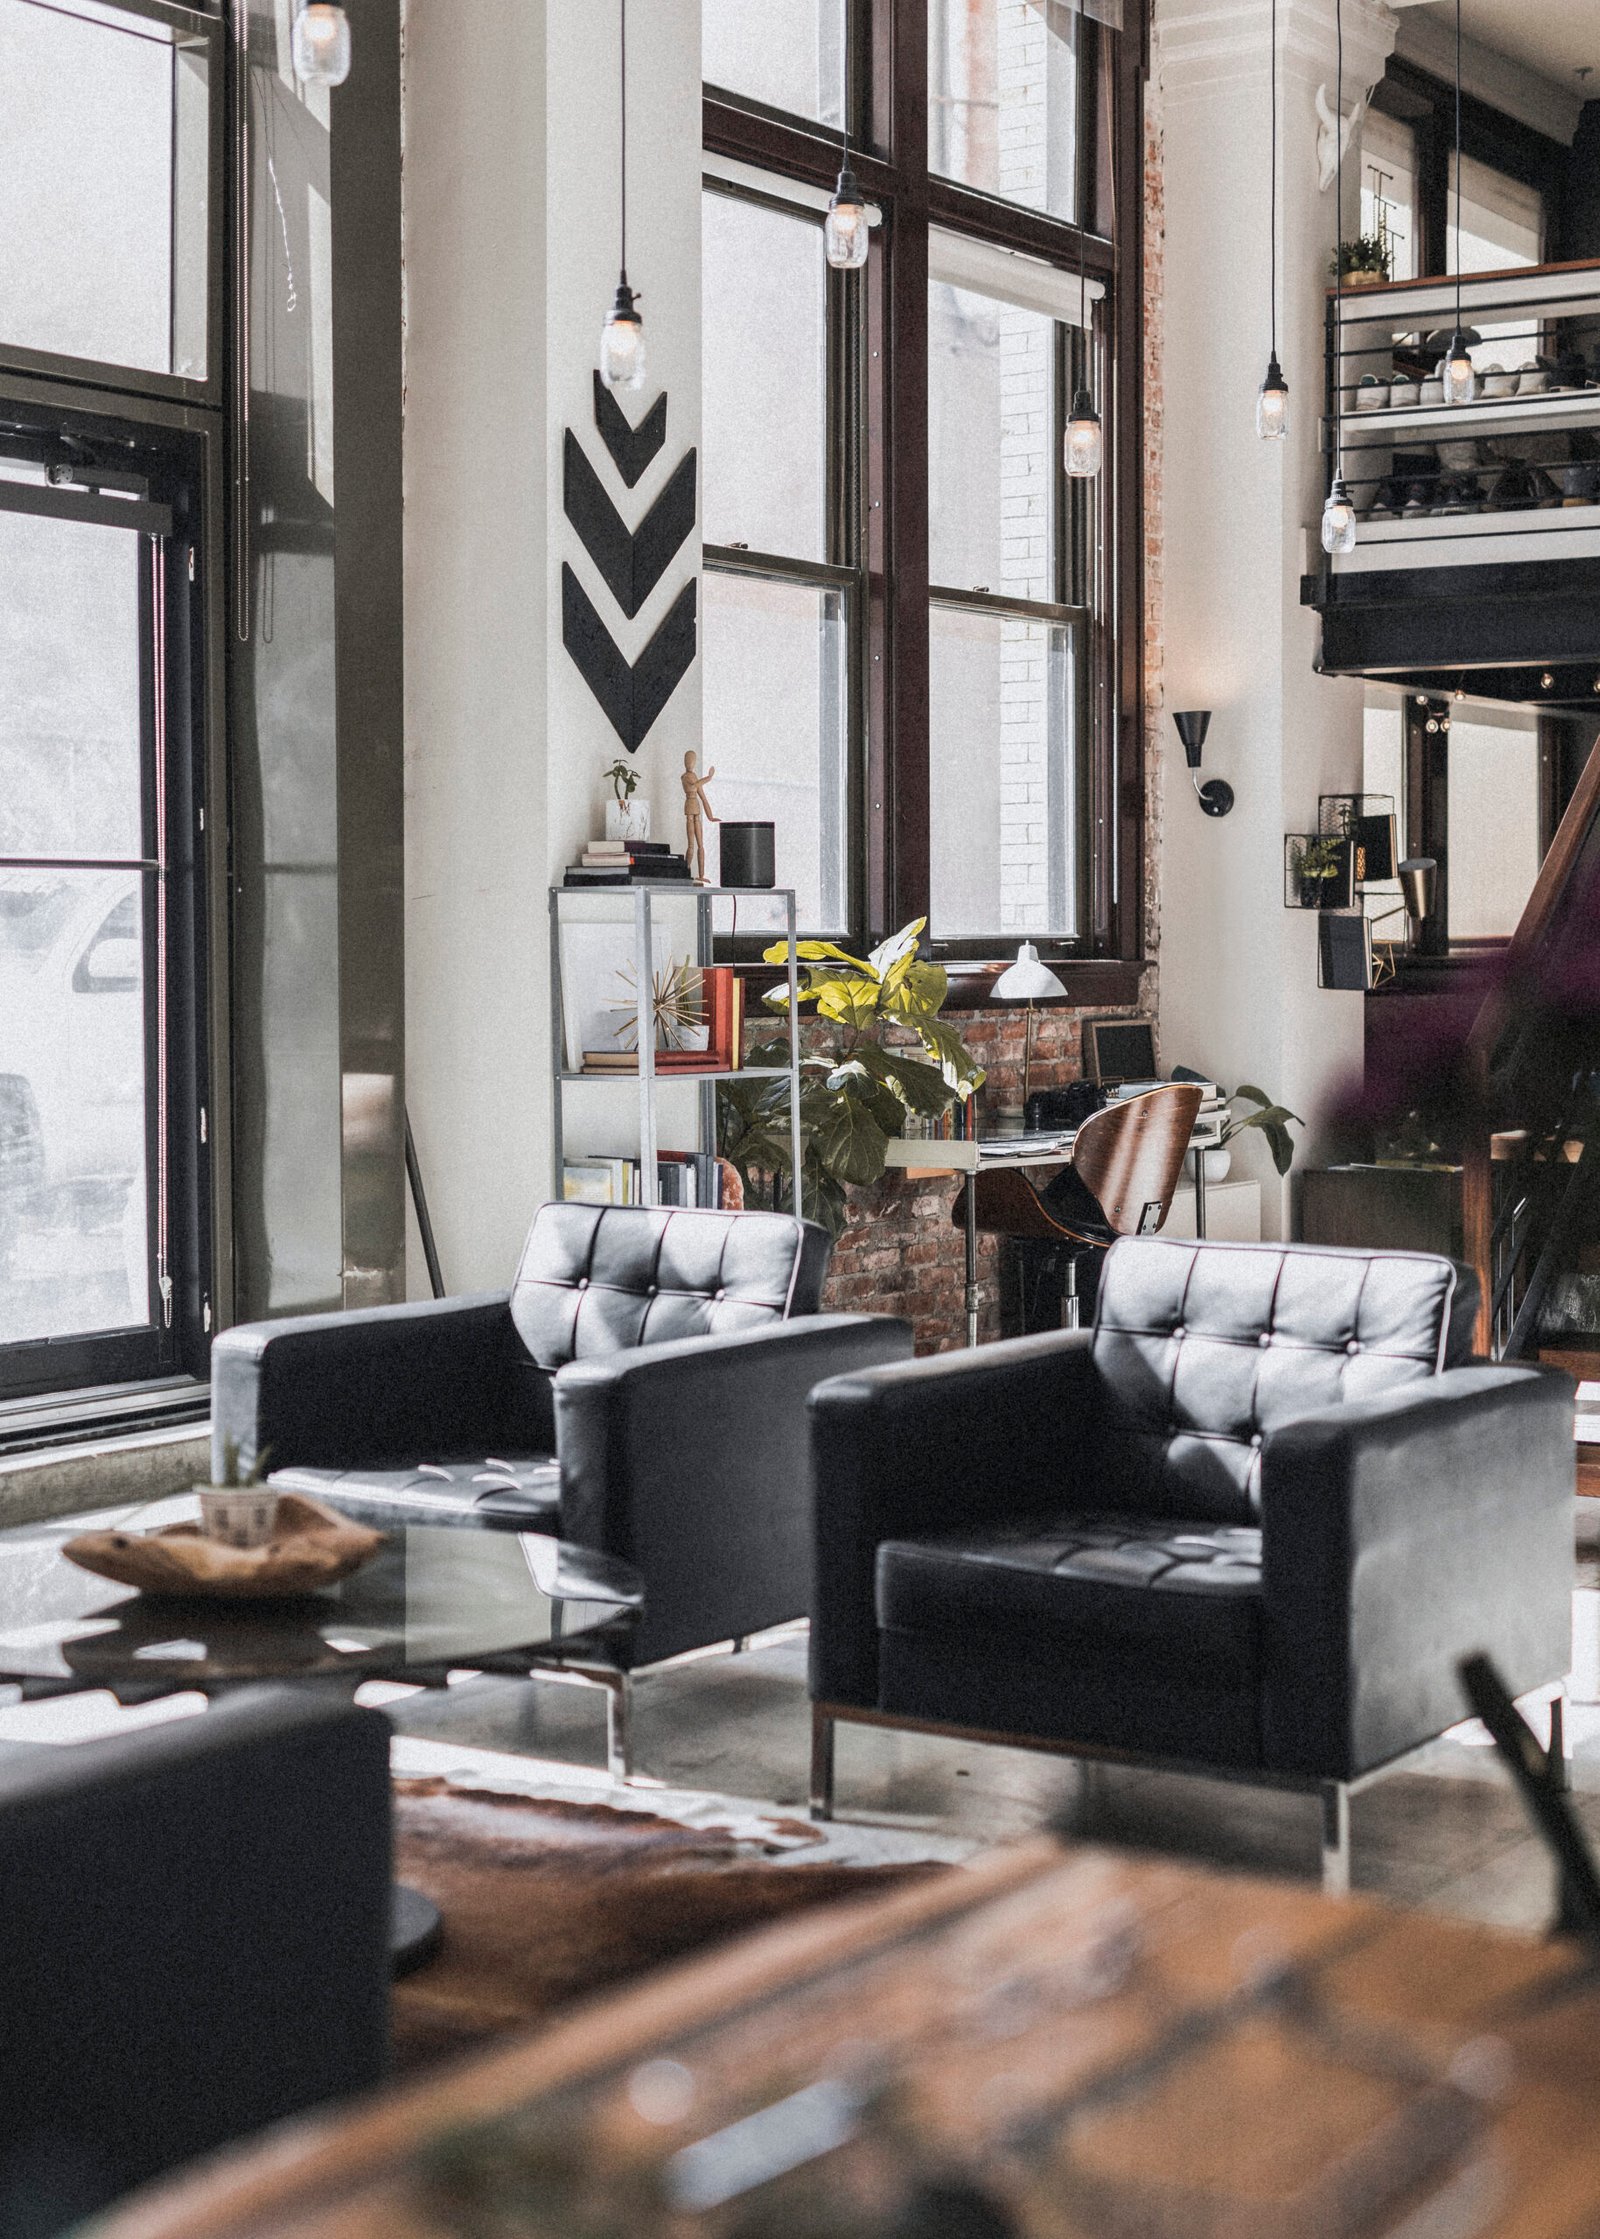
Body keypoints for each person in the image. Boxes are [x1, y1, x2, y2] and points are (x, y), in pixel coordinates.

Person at [681, 749, 718, 884]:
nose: (690, 763)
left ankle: (701, 874)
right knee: (691, 844)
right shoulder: (685, 777)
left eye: (692, 761)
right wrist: (708, 778)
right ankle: (685, 871)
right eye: (688, 761)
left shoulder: (695, 776)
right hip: (689, 807)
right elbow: (693, 787)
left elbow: (703, 797)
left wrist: (710, 816)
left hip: (696, 808)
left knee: (701, 845)